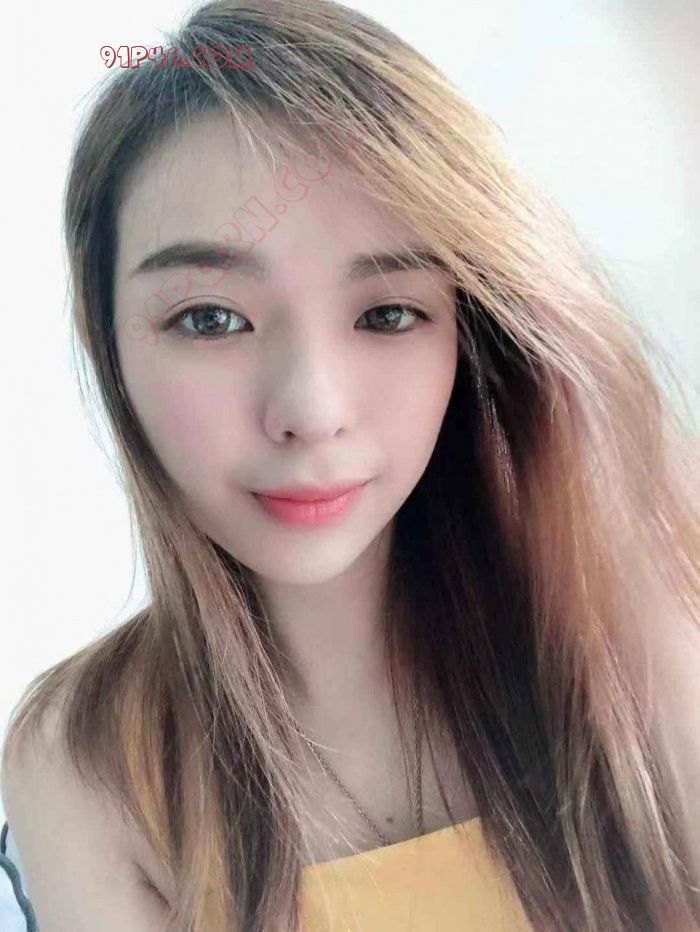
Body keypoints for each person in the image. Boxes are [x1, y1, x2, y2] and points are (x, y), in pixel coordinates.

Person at [2, 1, 699, 929]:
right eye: (211, 318)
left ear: (474, 334)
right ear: (114, 349)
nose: (312, 410)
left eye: (387, 314)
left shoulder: (630, 624)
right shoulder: (90, 759)